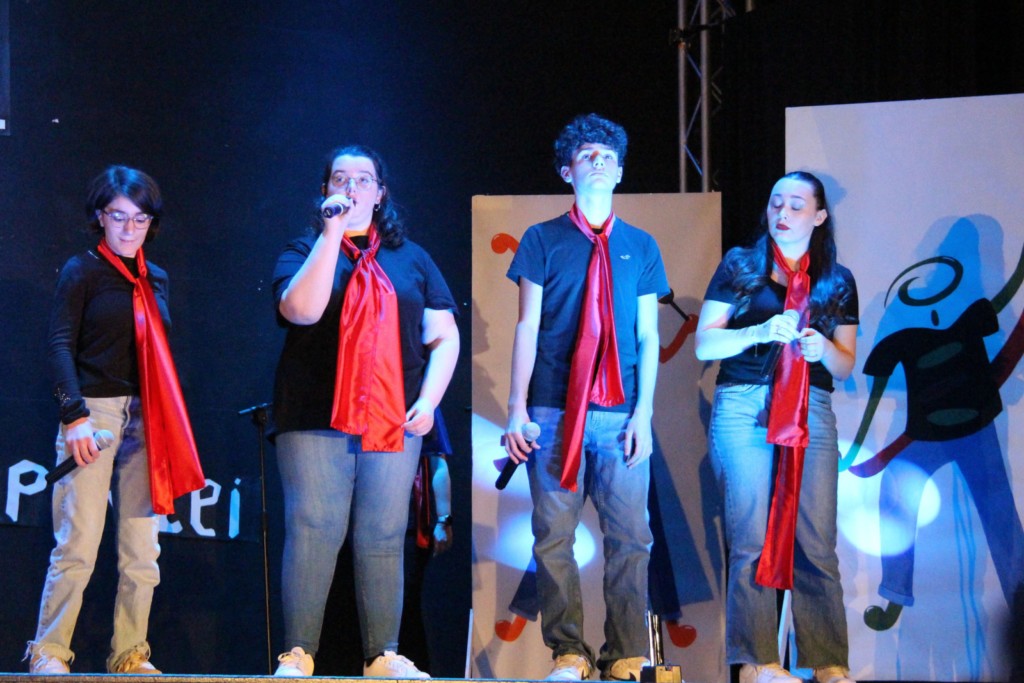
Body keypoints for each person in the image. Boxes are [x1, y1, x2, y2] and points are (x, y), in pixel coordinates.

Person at [270, 145, 459, 678]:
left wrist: (429, 400)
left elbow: (444, 336)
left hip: (392, 417)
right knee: (314, 528)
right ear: (325, 190)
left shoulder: (412, 259)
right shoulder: (304, 248)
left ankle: (382, 654)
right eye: (340, 178)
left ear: (380, 194)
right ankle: (299, 653)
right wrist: (332, 234)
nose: (351, 187)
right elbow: (300, 310)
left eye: (363, 179)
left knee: (382, 535)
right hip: (315, 414)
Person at [503, 113, 669, 682]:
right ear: (566, 171)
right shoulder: (541, 238)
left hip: (621, 412)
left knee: (632, 537)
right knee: (554, 536)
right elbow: (527, 325)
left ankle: (625, 653)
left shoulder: (640, 245)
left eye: (607, 157)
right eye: (586, 156)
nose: (598, 162)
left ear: (619, 172)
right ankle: (568, 652)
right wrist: (517, 408)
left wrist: (644, 413)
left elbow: (648, 336)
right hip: (554, 407)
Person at [26, 165, 206, 675]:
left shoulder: (156, 277)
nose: (130, 228)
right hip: (94, 413)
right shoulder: (81, 270)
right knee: (78, 542)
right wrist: (74, 415)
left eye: (140, 219)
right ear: (100, 217)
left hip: (147, 418)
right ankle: (49, 651)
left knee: (142, 550)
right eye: (119, 216)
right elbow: (59, 344)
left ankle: (129, 653)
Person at [694, 171, 858, 683]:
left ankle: (828, 663)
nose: (782, 214)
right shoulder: (741, 265)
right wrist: (759, 331)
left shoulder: (836, 279)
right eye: (775, 204)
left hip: (811, 406)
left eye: (795, 205)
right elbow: (705, 344)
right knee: (750, 538)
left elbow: (845, 364)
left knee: (816, 541)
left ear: (819, 216)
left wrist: (822, 349)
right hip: (744, 403)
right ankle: (756, 663)